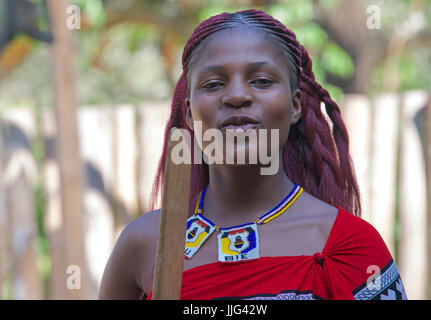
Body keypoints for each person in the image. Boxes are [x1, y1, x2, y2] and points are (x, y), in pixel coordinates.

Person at [98, 9, 407, 300]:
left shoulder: (349, 247)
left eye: (261, 81)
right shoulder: (144, 243)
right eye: (214, 83)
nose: (236, 96)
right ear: (190, 115)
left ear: (295, 106)